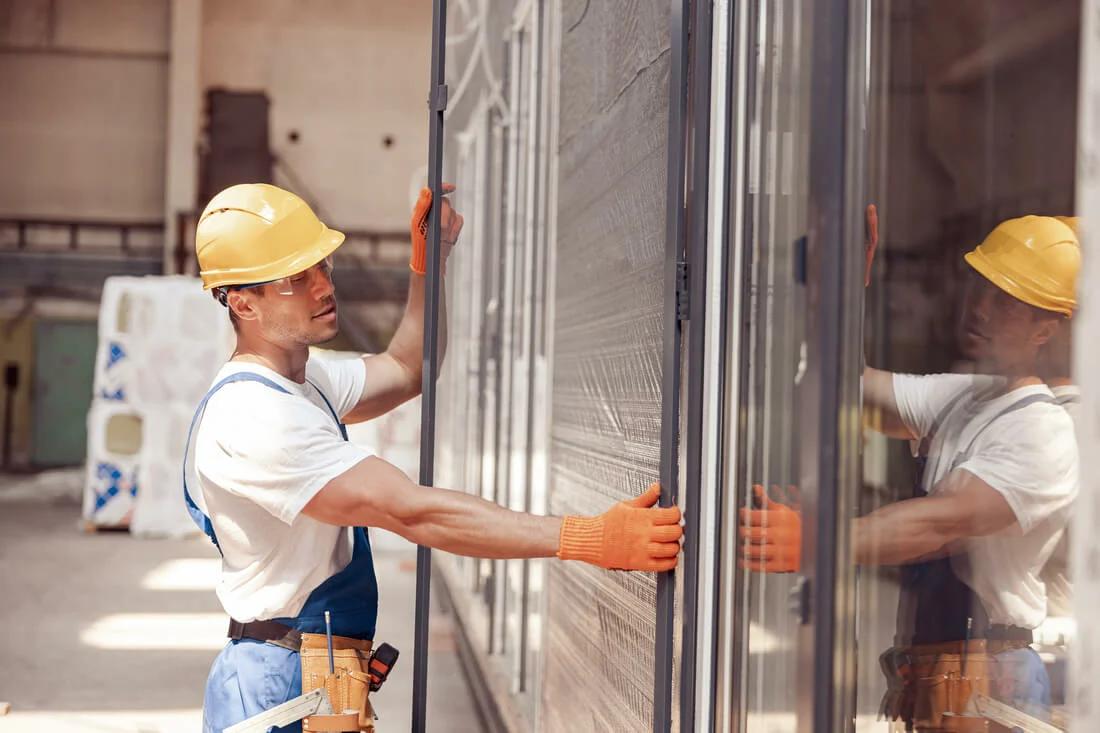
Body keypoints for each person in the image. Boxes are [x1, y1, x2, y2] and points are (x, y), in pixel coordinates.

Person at [184, 183, 683, 732]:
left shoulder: (304, 380)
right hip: (278, 689)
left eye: (322, 266)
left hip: (311, 674)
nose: (324, 286)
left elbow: (407, 367)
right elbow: (410, 511)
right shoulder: (254, 415)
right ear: (242, 301)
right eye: (295, 279)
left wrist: (428, 263)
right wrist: (588, 538)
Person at [740, 212, 1081, 730]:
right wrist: (847, 288)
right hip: (943, 673)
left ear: (1045, 329)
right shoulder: (970, 397)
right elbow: (846, 389)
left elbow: (941, 525)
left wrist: (820, 541)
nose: (980, 309)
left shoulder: (1046, 432)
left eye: (1005, 302)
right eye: (980, 289)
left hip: (992, 682)